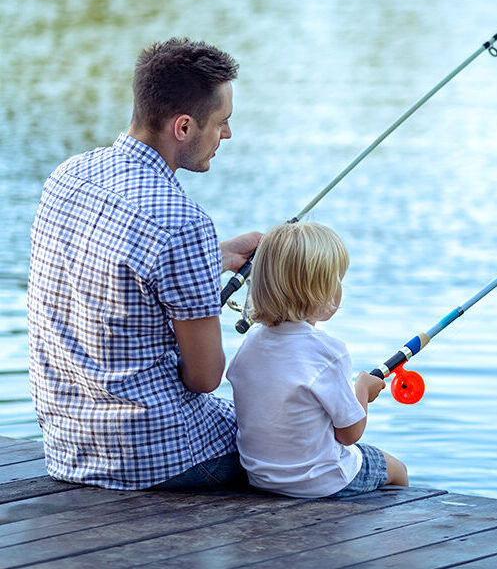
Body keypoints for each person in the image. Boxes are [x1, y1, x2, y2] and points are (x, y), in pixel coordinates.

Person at [27, 38, 261, 490]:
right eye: (222, 122)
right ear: (184, 127)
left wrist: (219, 256)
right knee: (315, 445)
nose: (227, 135)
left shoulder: (68, 176)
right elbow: (205, 377)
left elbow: (113, 273)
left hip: (68, 447)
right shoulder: (183, 223)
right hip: (154, 456)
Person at [226, 222, 408, 498]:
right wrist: (362, 388)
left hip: (260, 476)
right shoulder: (328, 352)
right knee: (397, 469)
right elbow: (349, 434)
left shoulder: (251, 342)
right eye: (338, 280)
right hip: (321, 481)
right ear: (318, 291)